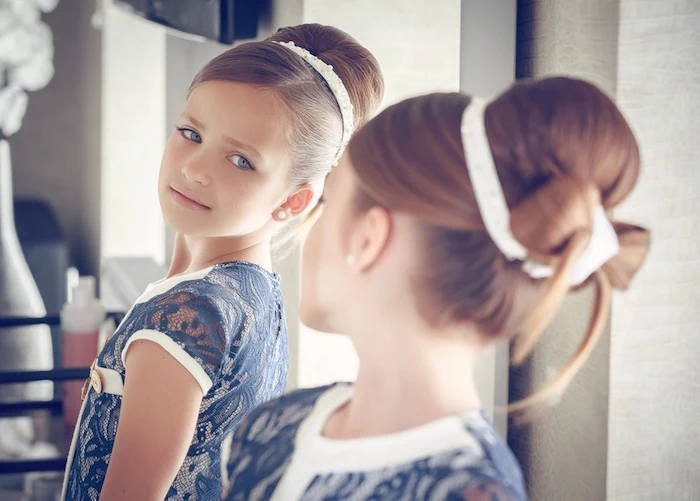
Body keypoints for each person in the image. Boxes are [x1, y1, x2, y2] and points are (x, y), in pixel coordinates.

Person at [223, 77, 650, 500]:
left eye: (328, 202)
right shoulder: (275, 425)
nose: (307, 229)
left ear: (367, 238)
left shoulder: (470, 491)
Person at [61, 23, 384, 501]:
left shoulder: (183, 322)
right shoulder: (254, 293)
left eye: (240, 161)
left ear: (293, 202)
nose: (194, 168)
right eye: (191, 133)